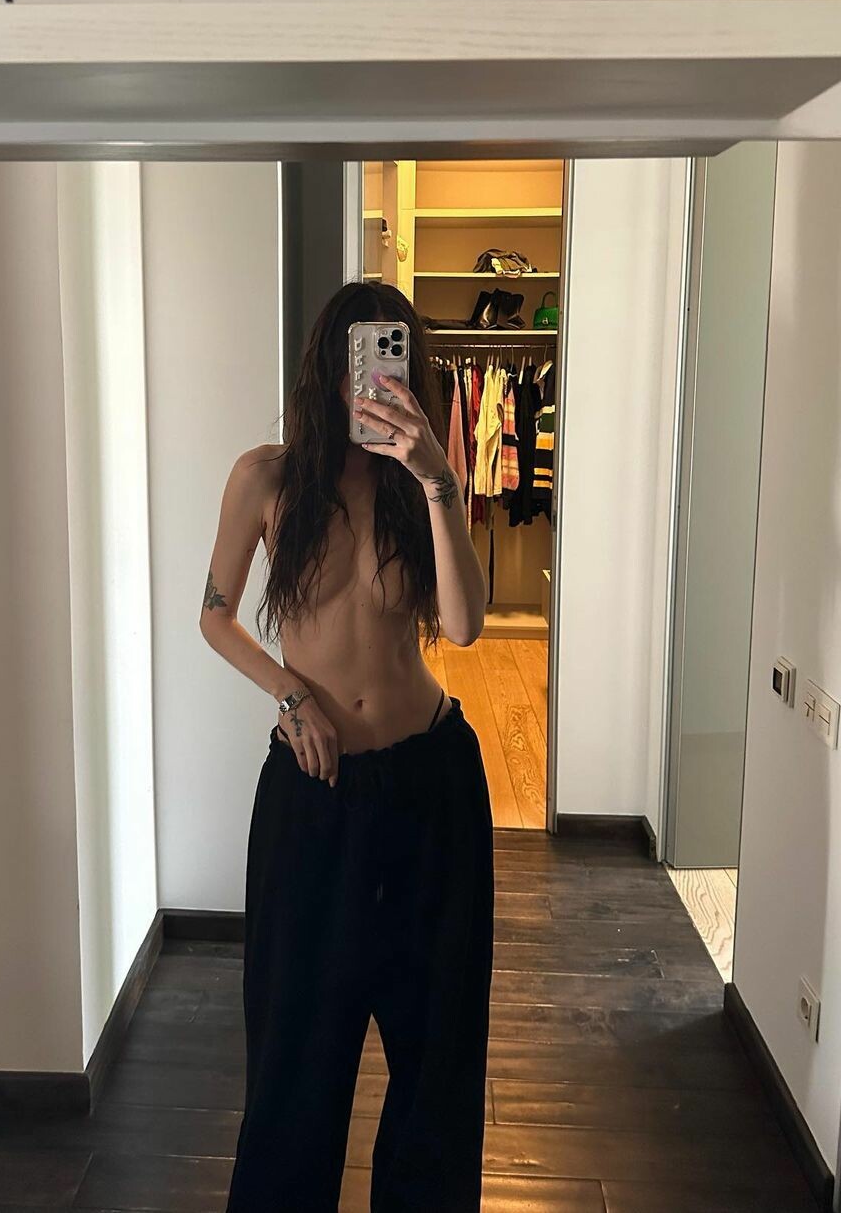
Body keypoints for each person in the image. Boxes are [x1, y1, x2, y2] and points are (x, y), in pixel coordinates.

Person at [199, 280, 495, 1212]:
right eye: (362, 358)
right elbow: (215, 617)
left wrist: (438, 478)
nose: (374, 381)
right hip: (314, 792)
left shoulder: (421, 485)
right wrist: (288, 694)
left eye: (395, 357)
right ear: (328, 367)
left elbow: (465, 624)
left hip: (430, 785)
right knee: (296, 1052)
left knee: (438, 1051)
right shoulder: (266, 479)